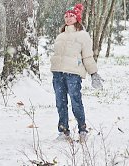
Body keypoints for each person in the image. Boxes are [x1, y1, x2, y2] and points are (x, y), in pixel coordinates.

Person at [50, 4, 103, 142]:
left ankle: (82, 130)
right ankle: (63, 131)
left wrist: (94, 73)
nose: (68, 18)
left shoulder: (83, 35)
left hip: (73, 74)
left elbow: (87, 56)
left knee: (76, 102)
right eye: (66, 16)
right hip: (58, 73)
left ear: (77, 18)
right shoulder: (60, 35)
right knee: (60, 103)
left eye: (71, 16)